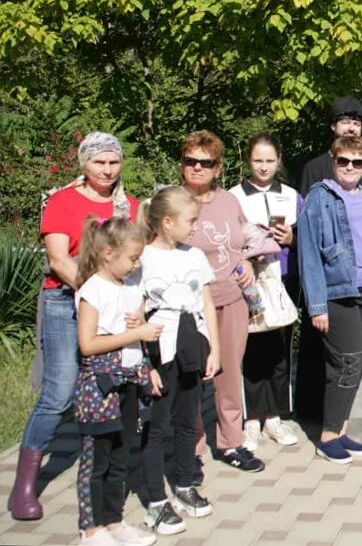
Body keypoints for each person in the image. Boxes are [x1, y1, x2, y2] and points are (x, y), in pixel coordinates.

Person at [9, 132, 141, 522]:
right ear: (84, 163)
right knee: (60, 392)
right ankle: (24, 484)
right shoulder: (63, 201)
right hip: (66, 300)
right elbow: (58, 258)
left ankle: (103, 471)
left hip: (115, 306)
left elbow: (136, 259)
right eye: (99, 161)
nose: (107, 169)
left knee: (111, 385)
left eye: (113, 162)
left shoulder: (128, 206)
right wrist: (94, 292)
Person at [298, 136, 362, 464]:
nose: (350, 168)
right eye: (344, 161)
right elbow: (309, 255)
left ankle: (341, 430)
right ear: (333, 161)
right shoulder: (320, 198)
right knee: (346, 362)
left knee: (361, 361)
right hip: (339, 293)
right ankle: (327, 434)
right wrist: (317, 306)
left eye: (357, 162)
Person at [179, 130, 265, 473]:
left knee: (229, 374)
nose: (198, 168)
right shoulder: (171, 201)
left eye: (206, 162)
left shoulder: (229, 201)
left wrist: (247, 263)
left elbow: (244, 240)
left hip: (230, 300)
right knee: (190, 378)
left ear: (218, 167)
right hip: (189, 306)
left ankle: (231, 442)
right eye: (191, 161)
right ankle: (192, 446)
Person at [73, 217, 161, 546]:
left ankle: (113, 521)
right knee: (97, 460)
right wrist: (134, 333)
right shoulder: (93, 290)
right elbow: (88, 344)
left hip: (128, 383)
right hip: (99, 388)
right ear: (109, 254)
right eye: (133, 258)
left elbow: (133, 335)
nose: (135, 265)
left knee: (122, 455)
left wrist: (140, 333)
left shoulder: (128, 287)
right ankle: (91, 527)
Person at [138, 186, 220, 535]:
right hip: (160, 351)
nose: (195, 227)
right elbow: (135, 311)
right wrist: (146, 366)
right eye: (191, 221)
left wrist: (214, 349)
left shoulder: (194, 256)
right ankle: (156, 502)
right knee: (157, 427)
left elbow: (206, 303)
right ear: (167, 222)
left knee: (189, 418)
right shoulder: (142, 258)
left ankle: (185, 485)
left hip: (192, 346)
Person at [229, 134, 300, 451]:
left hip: (282, 280)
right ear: (248, 159)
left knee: (279, 351)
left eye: (269, 160)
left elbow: (304, 239)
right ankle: (251, 420)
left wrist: (290, 239)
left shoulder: (291, 195)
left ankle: (274, 416)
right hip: (247, 283)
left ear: (279, 160)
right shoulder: (233, 196)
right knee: (250, 351)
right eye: (258, 160)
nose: (263, 166)